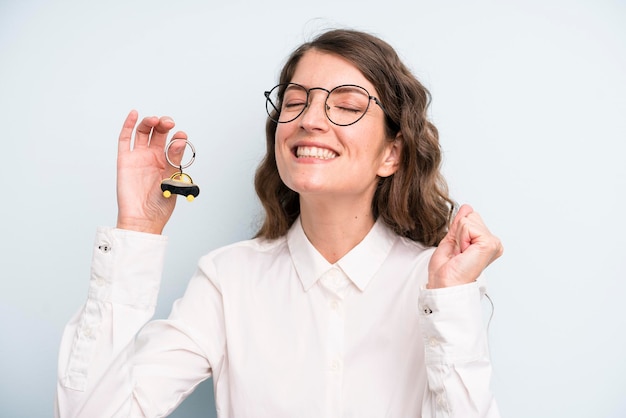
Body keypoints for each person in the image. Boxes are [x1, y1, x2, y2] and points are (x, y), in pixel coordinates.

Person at [56, 28, 503, 417]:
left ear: (392, 153)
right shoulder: (228, 280)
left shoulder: (434, 287)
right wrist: (136, 228)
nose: (309, 120)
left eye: (346, 106)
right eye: (295, 102)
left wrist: (450, 302)